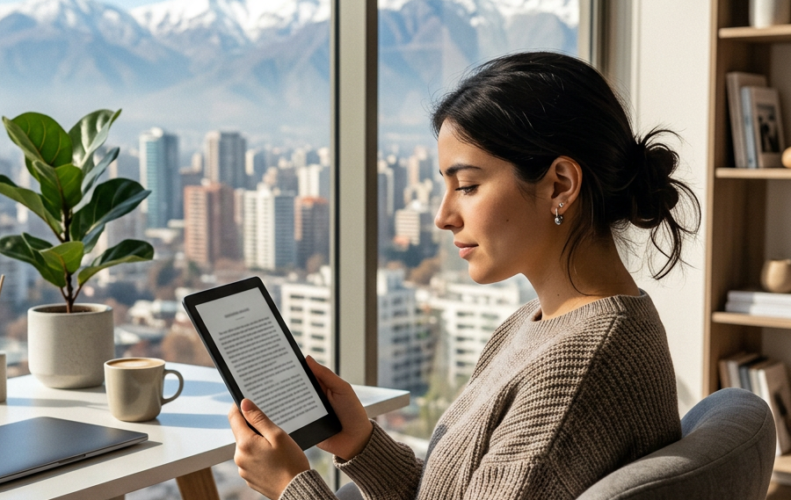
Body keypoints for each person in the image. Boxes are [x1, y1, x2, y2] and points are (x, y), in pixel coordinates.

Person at [227, 51, 701, 500]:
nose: (443, 216)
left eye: (468, 186)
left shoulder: (578, 368)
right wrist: (361, 445)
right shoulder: (540, 325)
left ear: (560, 184)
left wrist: (291, 486)